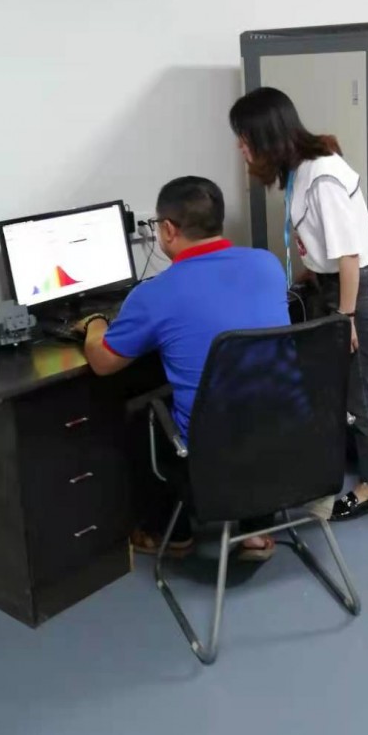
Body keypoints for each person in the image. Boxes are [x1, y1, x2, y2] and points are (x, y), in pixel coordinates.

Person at [76, 176, 290, 559]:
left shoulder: (154, 293)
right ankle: (254, 532)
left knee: (142, 415)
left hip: (215, 454)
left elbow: (103, 362)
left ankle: (173, 536)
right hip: (286, 434)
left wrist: (94, 323)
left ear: (169, 229)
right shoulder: (267, 264)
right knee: (249, 394)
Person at [229, 86, 368, 521]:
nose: (241, 148)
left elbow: (349, 255)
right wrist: (311, 271)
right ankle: (356, 467)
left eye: (244, 139)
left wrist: (346, 318)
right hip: (334, 283)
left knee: (365, 395)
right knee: (341, 391)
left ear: (265, 136)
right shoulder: (299, 170)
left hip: (357, 289)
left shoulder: (322, 175)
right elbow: (324, 242)